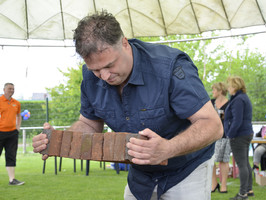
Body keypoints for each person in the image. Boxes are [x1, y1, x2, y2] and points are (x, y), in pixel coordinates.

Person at [32, 11, 223, 200]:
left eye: (109, 65)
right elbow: (90, 125)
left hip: (186, 170)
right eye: (96, 70)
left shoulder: (170, 67)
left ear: (124, 43)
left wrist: (168, 148)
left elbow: (212, 125)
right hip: (140, 175)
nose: (105, 76)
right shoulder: (90, 77)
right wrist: (58, 140)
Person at [224, 76, 253, 200]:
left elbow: (237, 120)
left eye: (229, 86)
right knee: (245, 163)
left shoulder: (238, 100)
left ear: (235, 87)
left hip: (239, 135)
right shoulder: (242, 98)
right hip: (245, 133)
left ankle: (242, 194)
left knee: (242, 165)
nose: (228, 89)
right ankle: (248, 189)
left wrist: (230, 134)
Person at [0, 83, 24, 185]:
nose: (11, 90)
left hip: (12, 133)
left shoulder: (16, 103)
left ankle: (12, 180)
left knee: (11, 156)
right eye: (9, 88)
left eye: (13, 89)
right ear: (4, 89)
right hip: (0, 132)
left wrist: (17, 127)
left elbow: (19, 116)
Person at [210, 82, 230, 193]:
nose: (212, 92)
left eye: (214, 90)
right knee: (212, 161)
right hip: (212, 137)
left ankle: (223, 186)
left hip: (225, 136)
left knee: (224, 160)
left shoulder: (229, 104)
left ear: (220, 91)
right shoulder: (211, 103)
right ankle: (214, 184)